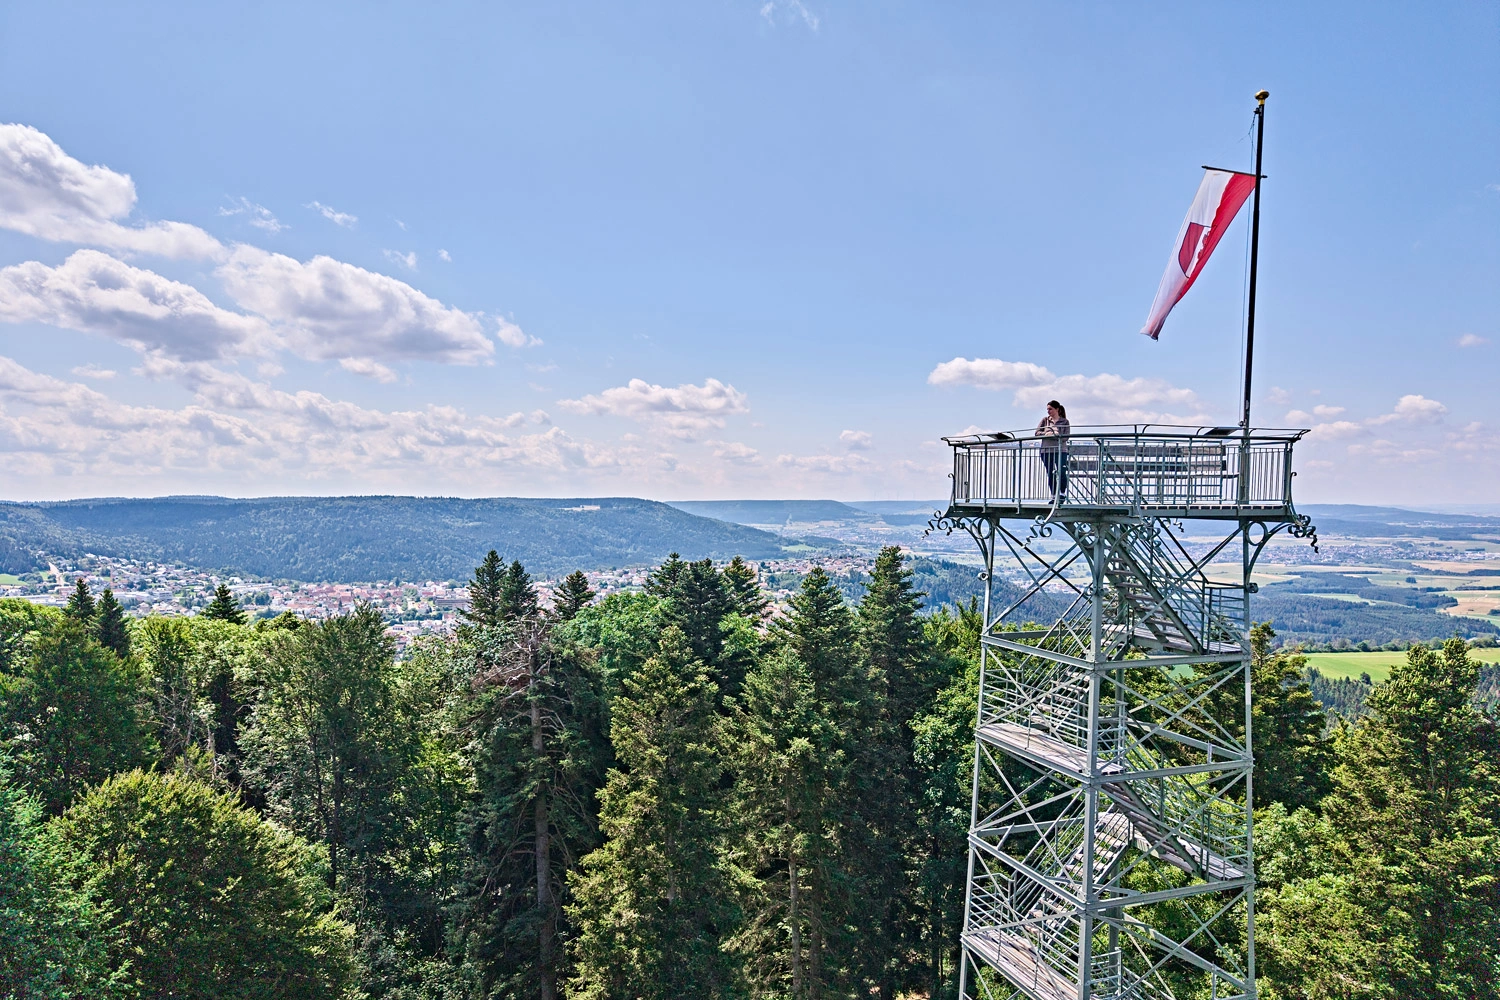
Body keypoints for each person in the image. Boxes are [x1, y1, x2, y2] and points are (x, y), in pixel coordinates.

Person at [1036, 400, 1070, 501]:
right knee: (1050, 473)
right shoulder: (1045, 420)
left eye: (1050, 409)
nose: (1048, 411)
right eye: (1047, 409)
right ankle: (1054, 495)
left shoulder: (1064, 422)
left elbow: (1066, 437)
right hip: (1046, 451)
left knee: (1062, 472)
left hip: (1061, 450)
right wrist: (1046, 434)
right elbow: (1037, 432)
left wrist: (1055, 435)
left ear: (1057, 409)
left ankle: (1062, 493)